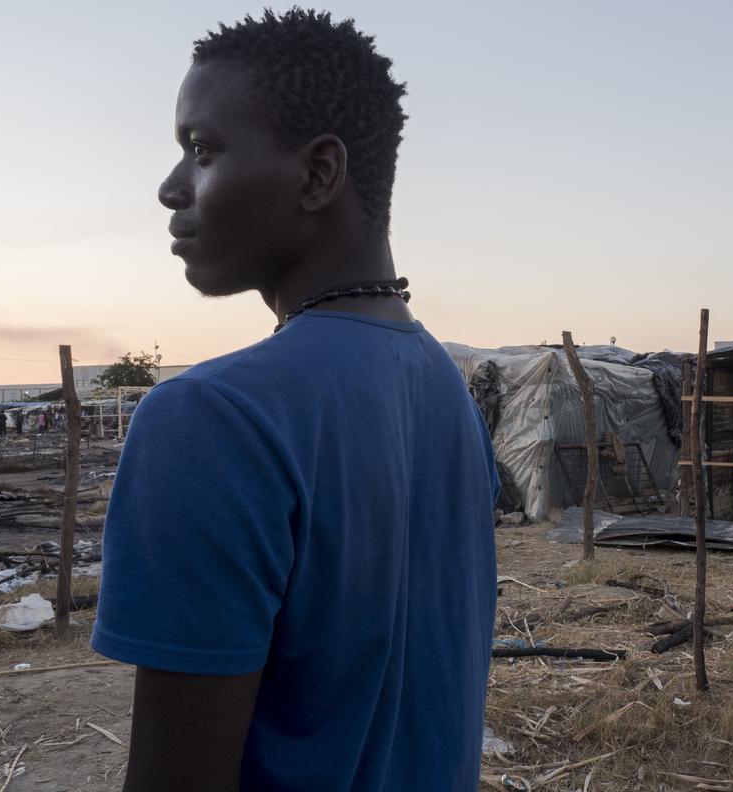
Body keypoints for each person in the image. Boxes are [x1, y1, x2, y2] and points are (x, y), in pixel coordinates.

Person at [91, 11, 499, 792]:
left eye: (202, 150)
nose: (171, 187)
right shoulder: (445, 390)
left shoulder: (211, 418)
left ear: (318, 175)